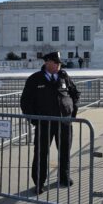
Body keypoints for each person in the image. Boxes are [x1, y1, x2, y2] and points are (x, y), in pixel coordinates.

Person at [20, 51, 80, 195]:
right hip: (44, 124)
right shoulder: (35, 79)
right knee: (41, 153)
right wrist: (34, 120)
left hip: (64, 123)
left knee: (65, 151)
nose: (59, 65)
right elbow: (25, 101)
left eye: (59, 63)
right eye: (56, 63)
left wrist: (72, 113)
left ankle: (64, 177)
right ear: (47, 62)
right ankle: (39, 182)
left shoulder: (64, 76)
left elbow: (75, 94)